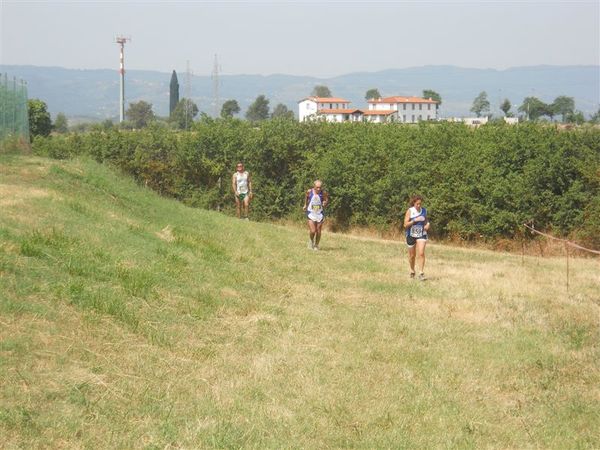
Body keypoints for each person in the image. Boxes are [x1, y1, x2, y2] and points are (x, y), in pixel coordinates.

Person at [403, 195, 430, 280]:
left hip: (422, 233)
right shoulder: (410, 211)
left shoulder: (424, 210)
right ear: (413, 203)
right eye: (417, 204)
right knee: (412, 255)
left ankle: (421, 273)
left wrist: (427, 225)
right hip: (411, 234)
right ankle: (412, 270)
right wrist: (415, 220)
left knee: (421, 253)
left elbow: (426, 221)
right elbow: (405, 224)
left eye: (420, 204)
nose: (419, 206)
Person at [303, 180, 329, 251]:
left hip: (319, 214)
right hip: (311, 213)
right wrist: (305, 205)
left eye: (320, 187)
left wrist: (325, 203)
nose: (318, 189)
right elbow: (306, 197)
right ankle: (311, 241)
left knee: (318, 231)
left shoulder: (323, 193)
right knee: (313, 231)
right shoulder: (309, 191)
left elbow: (326, 200)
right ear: (314, 186)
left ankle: (316, 245)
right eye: (317, 187)